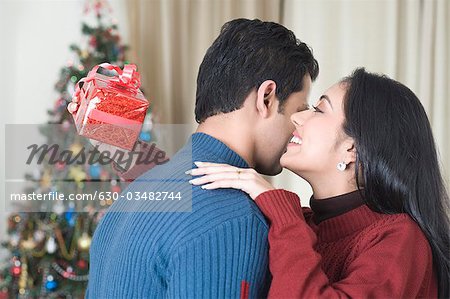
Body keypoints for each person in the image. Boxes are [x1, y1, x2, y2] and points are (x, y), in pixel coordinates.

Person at [68, 18, 319, 298]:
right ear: (267, 97)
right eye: (300, 109)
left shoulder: (133, 195)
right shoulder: (233, 217)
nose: (299, 125)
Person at [187, 68, 450, 298]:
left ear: (353, 149)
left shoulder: (400, 239)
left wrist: (282, 211)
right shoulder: (302, 226)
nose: (297, 117)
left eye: (319, 110)